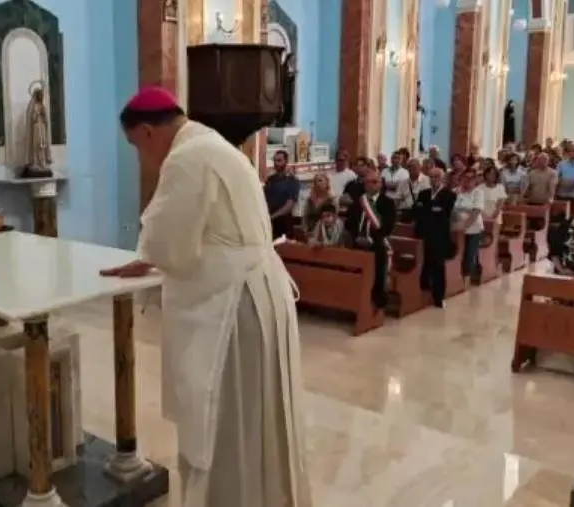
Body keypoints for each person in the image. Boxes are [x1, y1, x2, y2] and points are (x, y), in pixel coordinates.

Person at [101, 87, 311, 507]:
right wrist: (152, 259)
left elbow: (169, 244)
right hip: (262, 293)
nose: (142, 159)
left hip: (234, 309)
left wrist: (152, 255)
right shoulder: (218, 146)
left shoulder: (186, 159)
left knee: (227, 423)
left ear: (145, 132)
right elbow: (210, 234)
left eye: (134, 147)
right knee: (257, 419)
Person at [344, 169, 396, 310]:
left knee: (378, 269)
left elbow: (388, 227)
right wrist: (358, 236)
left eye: (375, 182)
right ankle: (354, 301)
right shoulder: (358, 202)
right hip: (357, 243)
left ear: (380, 184)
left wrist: (371, 239)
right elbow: (349, 223)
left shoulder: (388, 203)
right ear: (364, 185)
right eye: (368, 182)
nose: (372, 185)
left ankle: (376, 303)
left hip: (377, 244)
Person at [414, 168, 456, 307]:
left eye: (437, 176)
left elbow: (445, 214)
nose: (434, 179)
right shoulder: (423, 193)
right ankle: (424, 290)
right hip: (423, 234)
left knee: (438, 265)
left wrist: (428, 210)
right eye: (431, 176)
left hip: (440, 236)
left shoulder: (449, 195)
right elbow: (418, 211)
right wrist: (431, 210)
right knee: (425, 263)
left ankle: (439, 296)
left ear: (443, 178)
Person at [454, 167, 484, 283]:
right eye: (466, 178)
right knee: (457, 252)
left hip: (473, 228)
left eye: (471, 178)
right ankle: (456, 277)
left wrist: (464, 226)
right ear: (462, 178)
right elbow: (452, 209)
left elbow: (475, 212)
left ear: (475, 180)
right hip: (456, 227)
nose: (468, 180)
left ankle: (467, 278)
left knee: (469, 254)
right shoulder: (456, 191)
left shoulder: (478, 193)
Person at [263, 150, 300, 239]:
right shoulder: (270, 180)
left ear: (286, 162)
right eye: (274, 160)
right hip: (269, 222)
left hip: (284, 222)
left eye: (279, 161)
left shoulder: (292, 181)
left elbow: (289, 205)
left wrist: (272, 217)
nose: (276, 163)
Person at [397, 158, 430, 223]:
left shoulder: (427, 180)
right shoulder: (403, 182)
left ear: (419, 167)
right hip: (406, 213)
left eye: (414, 166)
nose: (411, 168)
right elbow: (398, 198)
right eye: (409, 166)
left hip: (421, 214)